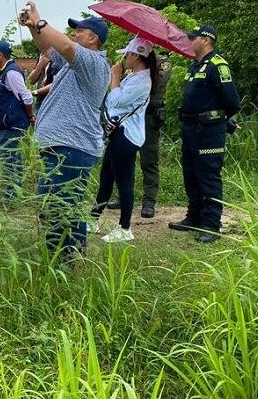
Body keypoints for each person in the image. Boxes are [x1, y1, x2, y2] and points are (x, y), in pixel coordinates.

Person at [19, 3, 110, 262]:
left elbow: (66, 47)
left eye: (79, 31)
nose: (74, 34)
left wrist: (40, 22)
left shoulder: (94, 62)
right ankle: (59, 257)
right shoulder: (72, 65)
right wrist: (31, 28)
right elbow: (48, 48)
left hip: (73, 148)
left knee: (64, 207)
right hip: (59, 146)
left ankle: (70, 261)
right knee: (52, 206)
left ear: (93, 39)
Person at [168, 25, 240, 243]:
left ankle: (210, 226)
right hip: (190, 130)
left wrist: (219, 120)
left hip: (209, 131)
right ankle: (194, 217)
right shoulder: (194, 66)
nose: (190, 40)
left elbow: (232, 102)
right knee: (191, 175)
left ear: (207, 40)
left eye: (194, 37)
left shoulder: (218, 66)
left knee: (208, 176)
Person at [89, 37, 155, 242]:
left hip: (127, 137)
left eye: (127, 54)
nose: (124, 58)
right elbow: (112, 101)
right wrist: (118, 79)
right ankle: (93, 218)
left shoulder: (142, 80)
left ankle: (125, 227)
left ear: (136, 55)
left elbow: (115, 100)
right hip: (118, 134)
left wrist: (114, 77)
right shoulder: (133, 76)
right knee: (106, 178)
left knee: (124, 183)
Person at [105, 51, 173, 218]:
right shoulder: (133, 68)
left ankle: (149, 202)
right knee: (124, 161)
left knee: (148, 159)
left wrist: (141, 72)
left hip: (150, 115)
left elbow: (158, 81)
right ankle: (123, 197)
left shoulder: (160, 62)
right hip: (129, 117)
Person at [0, 40, 34, 200]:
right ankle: (12, 191)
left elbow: (26, 96)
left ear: (0, 55)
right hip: (7, 122)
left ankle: (13, 194)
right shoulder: (6, 70)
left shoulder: (12, 72)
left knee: (11, 159)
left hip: (12, 123)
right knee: (10, 158)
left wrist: (29, 116)